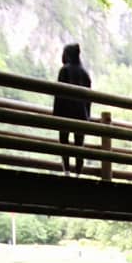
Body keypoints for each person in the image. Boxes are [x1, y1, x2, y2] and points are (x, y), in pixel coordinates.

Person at [53, 43, 91, 175]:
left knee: (64, 142)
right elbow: (89, 100)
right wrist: (87, 118)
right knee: (79, 145)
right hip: (81, 115)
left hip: (66, 113)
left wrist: (56, 115)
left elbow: (59, 95)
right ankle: (78, 174)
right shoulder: (85, 74)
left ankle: (67, 171)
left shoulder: (64, 70)